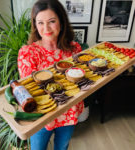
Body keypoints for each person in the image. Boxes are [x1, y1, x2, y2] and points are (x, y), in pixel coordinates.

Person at [17, 0, 84, 150]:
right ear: (35, 25)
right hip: (42, 116)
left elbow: (81, 81)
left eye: (52, 21)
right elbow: (29, 90)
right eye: (40, 22)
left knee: (63, 147)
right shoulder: (28, 53)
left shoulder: (74, 49)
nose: (45, 28)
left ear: (61, 21)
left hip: (69, 111)